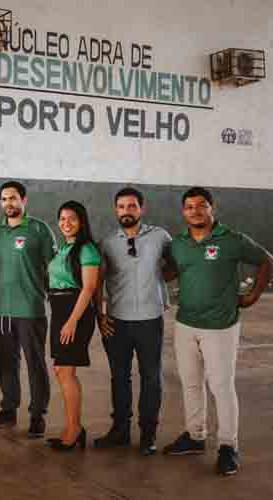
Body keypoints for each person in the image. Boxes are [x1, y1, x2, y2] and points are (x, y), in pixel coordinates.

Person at [162, 187, 273, 476]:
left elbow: (268, 262)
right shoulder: (179, 243)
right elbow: (173, 271)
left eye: (201, 206)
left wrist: (251, 296)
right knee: (190, 384)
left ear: (212, 209)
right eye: (189, 207)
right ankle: (195, 436)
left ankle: (228, 446)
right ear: (183, 212)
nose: (195, 211)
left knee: (221, 387)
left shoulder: (232, 240)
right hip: (186, 323)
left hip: (220, 327)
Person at [94, 187, 173, 455]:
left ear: (142, 209)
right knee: (120, 377)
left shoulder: (160, 237)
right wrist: (99, 315)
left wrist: (159, 286)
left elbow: (175, 265)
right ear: (115, 210)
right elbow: (97, 281)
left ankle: (148, 434)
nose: (126, 211)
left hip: (151, 319)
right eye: (121, 207)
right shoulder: (107, 243)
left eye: (132, 206)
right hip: (117, 321)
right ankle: (120, 431)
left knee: (151, 378)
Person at [0, 181, 55, 438]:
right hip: (2, 309)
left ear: (24, 200)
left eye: (13, 198)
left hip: (31, 309)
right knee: (6, 363)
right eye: (4, 199)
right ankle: (9, 409)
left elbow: (53, 268)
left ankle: (37, 415)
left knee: (35, 363)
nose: (8, 204)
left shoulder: (39, 229)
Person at [46, 201, 100, 451]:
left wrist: (71, 321)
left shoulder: (86, 249)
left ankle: (74, 429)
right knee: (61, 371)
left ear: (82, 221)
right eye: (62, 218)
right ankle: (72, 426)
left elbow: (89, 288)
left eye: (72, 219)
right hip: (59, 309)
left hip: (74, 310)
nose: (66, 223)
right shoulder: (64, 248)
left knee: (66, 372)